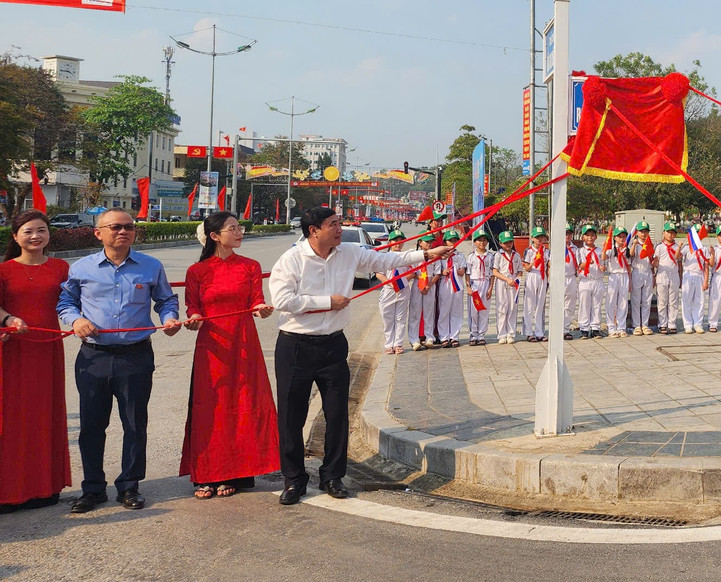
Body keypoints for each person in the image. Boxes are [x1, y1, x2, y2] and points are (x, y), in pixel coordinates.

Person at [269, 208, 453, 505]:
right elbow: (282, 300)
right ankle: (293, 480)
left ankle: (332, 476)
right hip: (295, 346)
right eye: (333, 225)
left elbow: (387, 260)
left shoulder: (350, 252)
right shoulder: (292, 259)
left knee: (337, 414)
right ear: (313, 231)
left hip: (333, 345)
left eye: (339, 223)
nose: (339, 229)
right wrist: (328, 302)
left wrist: (428, 254)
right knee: (292, 416)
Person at [59, 208, 181, 513]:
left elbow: (166, 299)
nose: (123, 231)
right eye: (115, 227)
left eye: (129, 227)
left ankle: (129, 486)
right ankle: (93, 488)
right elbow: (66, 301)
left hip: (135, 356)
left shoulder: (150, 266)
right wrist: (76, 320)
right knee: (91, 425)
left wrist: (169, 318)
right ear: (98, 233)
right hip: (94, 357)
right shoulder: (81, 268)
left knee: (135, 423)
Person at [179, 211, 278, 500]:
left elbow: (256, 299)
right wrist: (194, 317)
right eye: (232, 228)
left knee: (245, 404)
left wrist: (260, 308)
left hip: (244, 343)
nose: (239, 232)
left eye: (239, 227)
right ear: (214, 236)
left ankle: (238, 471)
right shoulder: (197, 271)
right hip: (212, 347)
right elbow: (193, 306)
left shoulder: (250, 266)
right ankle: (208, 473)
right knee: (210, 407)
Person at [0, 211, 70, 513]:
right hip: (13, 351)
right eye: (28, 231)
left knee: (44, 415)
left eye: (41, 230)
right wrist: (7, 319)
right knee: (13, 418)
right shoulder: (3, 270)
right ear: (15, 236)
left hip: (47, 350)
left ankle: (44, 487)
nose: (35, 236)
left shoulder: (61, 268)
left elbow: (76, 301)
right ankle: (9, 491)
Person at [375, 230, 411, 354]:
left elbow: (412, 272)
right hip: (389, 290)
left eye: (401, 241)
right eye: (395, 240)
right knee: (387, 317)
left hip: (403, 289)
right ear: (390, 242)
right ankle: (389, 344)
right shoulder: (384, 257)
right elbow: (379, 274)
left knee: (400, 318)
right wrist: (391, 283)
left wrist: (401, 283)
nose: (398, 243)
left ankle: (398, 344)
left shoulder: (406, 257)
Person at [491, 231, 523, 345]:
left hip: (513, 283)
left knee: (512, 308)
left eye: (510, 242)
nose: (508, 245)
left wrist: (517, 279)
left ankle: (511, 333)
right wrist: (506, 279)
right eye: (505, 243)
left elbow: (520, 271)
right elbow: (495, 272)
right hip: (502, 282)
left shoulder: (516, 255)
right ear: (500, 243)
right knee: (502, 308)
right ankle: (502, 334)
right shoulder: (498, 255)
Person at [434, 230, 465, 347]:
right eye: (450, 241)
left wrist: (455, 271)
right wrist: (444, 271)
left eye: (455, 240)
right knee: (444, 310)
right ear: (445, 242)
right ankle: (444, 337)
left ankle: (454, 337)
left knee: (456, 310)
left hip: (457, 284)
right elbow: (438, 271)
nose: (452, 243)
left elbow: (462, 271)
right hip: (445, 284)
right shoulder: (441, 257)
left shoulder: (460, 256)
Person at [575, 225, 604, 338]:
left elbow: (604, 264)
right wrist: (587, 262)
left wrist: (603, 267)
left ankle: (595, 327)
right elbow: (579, 265)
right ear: (583, 237)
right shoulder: (580, 251)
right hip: (585, 281)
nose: (590, 238)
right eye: (587, 235)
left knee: (597, 305)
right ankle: (584, 328)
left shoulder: (600, 251)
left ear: (596, 237)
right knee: (584, 305)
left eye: (592, 235)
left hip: (597, 280)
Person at [464, 231, 493, 346]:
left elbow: (492, 274)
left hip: (485, 283)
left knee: (484, 310)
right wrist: (468, 287)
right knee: (474, 310)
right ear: (475, 242)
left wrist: (490, 288)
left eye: (484, 240)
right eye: (479, 240)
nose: (482, 242)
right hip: (475, 284)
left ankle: (481, 334)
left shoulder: (490, 256)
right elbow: (467, 273)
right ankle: (473, 334)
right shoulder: (471, 256)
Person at [681, 224, 710, 334]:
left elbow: (706, 266)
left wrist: (706, 280)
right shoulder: (686, 248)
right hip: (688, 275)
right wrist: (679, 247)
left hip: (700, 275)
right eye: (696, 233)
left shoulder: (704, 249)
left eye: (699, 232)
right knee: (687, 300)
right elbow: (677, 257)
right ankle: (687, 324)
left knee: (700, 301)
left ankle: (698, 323)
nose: (698, 235)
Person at [522, 227, 550, 342]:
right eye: (537, 237)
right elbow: (526, 268)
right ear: (532, 238)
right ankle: (528, 332)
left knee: (540, 305)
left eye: (541, 237)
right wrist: (532, 263)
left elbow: (549, 265)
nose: (539, 239)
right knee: (529, 305)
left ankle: (539, 332)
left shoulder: (547, 251)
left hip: (542, 276)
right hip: (532, 275)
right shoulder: (529, 251)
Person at [654, 223, 682, 334]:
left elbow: (679, 263)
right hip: (662, 274)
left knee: (673, 301)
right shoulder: (659, 247)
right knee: (662, 300)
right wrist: (654, 263)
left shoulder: (677, 247)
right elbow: (656, 263)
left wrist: (680, 277)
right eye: (668, 232)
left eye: (672, 233)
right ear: (663, 233)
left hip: (674, 274)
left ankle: (672, 323)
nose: (670, 235)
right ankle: (662, 324)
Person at [628, 222, 655, 335]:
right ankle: (636, 325)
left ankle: (645, 324)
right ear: (637, 232)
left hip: (648, 272)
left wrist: (653, 275)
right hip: (637, 272)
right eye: (641, 231)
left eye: (645, 231)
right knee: (636, 300)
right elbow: (630, 255)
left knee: (647, 300)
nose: (643, 234)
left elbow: (652, 260)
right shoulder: (634, 243)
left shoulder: (650, 244)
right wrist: (634, 244)